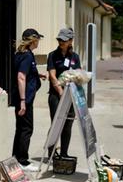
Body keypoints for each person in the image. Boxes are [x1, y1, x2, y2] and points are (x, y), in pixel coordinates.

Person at [12, 28, 46, 172]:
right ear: (33, 40)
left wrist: (38, 75)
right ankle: (22, 161)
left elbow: (27, 73)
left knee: (20, 128)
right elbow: (21, 76)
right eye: (38, 39)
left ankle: (15, 158)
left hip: (24, 97)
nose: (39, 42)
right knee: (26, 129)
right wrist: (23, 101)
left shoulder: (23, 54)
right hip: (25, 98)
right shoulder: (26, 56)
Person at [47, 27, 82, 156]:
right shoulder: (52, 55)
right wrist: (60, 91)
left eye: (64, 40)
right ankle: (51, 153)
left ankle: (64, 154)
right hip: (56, 95)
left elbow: (78, 74)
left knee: (68, 124)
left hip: (71, 95)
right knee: (56, 123)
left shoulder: (75, 57)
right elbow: (52, 75)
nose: (61, 42)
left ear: (71, 41)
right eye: (59, 39)